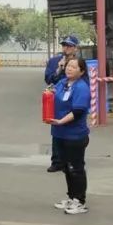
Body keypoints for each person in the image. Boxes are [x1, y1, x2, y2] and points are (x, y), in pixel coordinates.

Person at [48, 57, 92, 215]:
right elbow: (52, 90)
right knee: (66, 167)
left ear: (82, 71)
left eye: (74, 67)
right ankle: (71, 197)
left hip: (74, 135)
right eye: (68, 66)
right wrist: (49, 93)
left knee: (76, 168)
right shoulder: (62, 83)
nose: (69, 68)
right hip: (59, 133)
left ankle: (80, 201)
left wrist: (61, 121)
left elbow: (78, 111)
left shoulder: (81, 87)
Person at [44, 36, 80, 173]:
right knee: (57, 129)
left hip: (73, 99)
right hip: (58, 100)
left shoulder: (80, 63)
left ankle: (70, 162)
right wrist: (59, 69)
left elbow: (84, 79)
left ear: (75, 48)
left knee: (72, 129)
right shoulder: (54, 61)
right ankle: (57, 161)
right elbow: (48, 79)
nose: (66, 48)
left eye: (69, 46)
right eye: (64, 45)